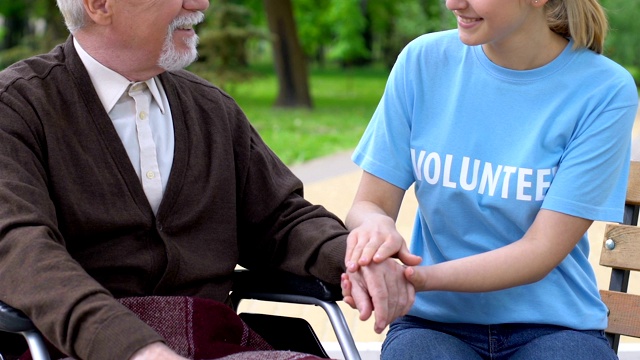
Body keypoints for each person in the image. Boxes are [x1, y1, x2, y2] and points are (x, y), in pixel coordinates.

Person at [0, 0, 412, 359]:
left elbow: (281, 220)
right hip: (79, 349)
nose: (201, 4)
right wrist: (131, 347)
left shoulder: (211, 108)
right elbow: (21, 251)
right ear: (100, 4)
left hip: (217, 340)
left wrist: (354, 258)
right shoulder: (18, 108)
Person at [341, 0, 639, 359]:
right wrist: (374, 231)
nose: (453, 3)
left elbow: (539, 251)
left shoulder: (604, 91)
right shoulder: (423, 62)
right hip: (433, 325)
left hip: (555, 328)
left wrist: (415, 279)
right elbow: (369, 204)